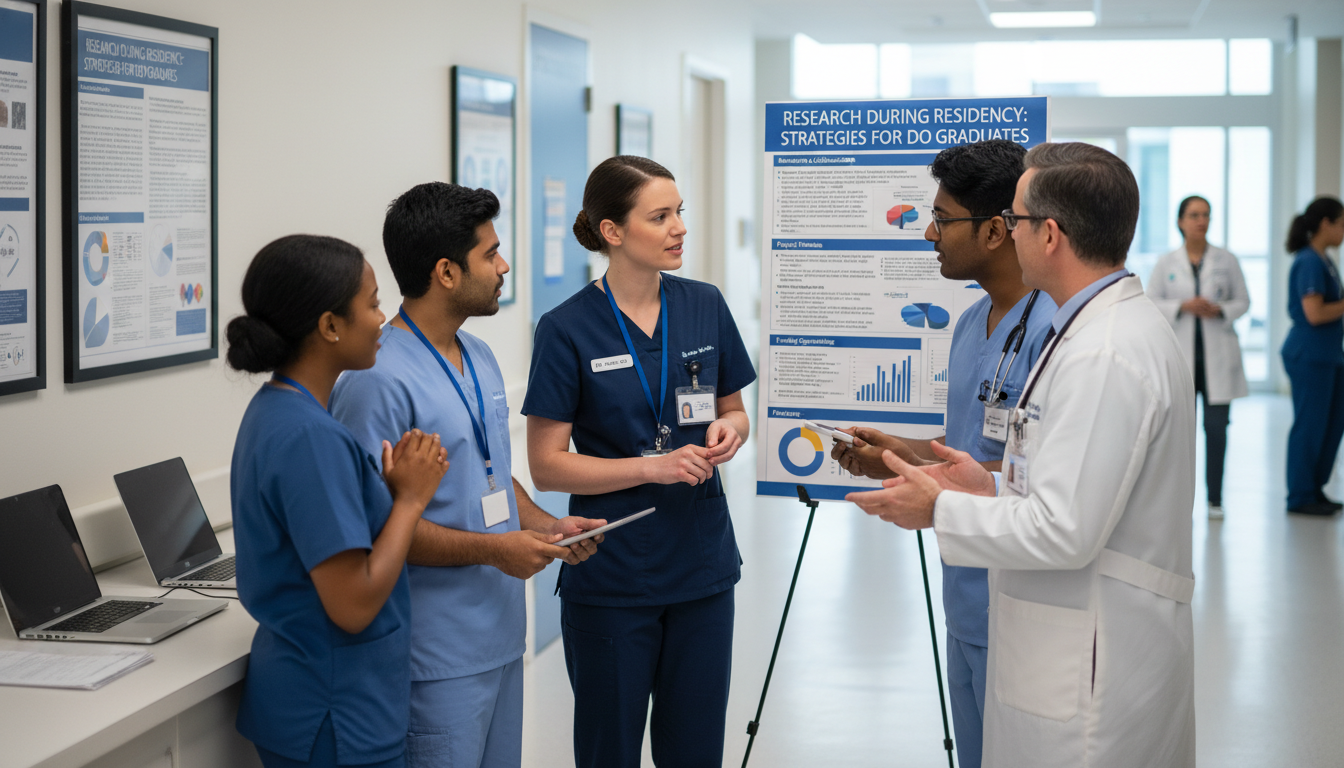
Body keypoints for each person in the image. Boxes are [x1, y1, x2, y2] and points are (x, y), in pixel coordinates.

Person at [848, 142, 1197, 767]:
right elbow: (1058, 478)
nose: (1009, 232)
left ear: (1051, 234)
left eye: (1016, 221)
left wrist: (941, 506)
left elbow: (1064, 528)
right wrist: (977, 483)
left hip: (1088, 648)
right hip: (1061, 627)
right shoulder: (1094, 331)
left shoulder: (1102, 353)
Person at [331, 183, 606, 768]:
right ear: (446, 273)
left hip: (502, 640)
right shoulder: (375, 379)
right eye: (491, 253)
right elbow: (379, 526)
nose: (504, 266)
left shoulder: (478, 354)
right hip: (433, 659)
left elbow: (492, 475)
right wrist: (494, 551)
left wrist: (550, 526)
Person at [522, 156, 756, 768]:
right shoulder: (566, 328)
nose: (679, 227)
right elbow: (547, 465)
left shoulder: (704, 304)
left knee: (696, 750)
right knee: (610, 750)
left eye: (680, 212)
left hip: (701, 568)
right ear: (612, 231)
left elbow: (735, 411)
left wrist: (730, 432)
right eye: (660, 216)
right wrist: (650, 468)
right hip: (613, 574)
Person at [830, 139, 1055, 768]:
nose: (928, 232)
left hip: (1021, 596)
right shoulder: (969, 322)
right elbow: (966, 451)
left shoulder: (1058, 334)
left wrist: (927, 474)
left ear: (993, 230)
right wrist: (897, 454)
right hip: (964, 586)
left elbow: (1048, 477)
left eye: (942, 218)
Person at [227, 235, 449, 768]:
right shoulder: (310, 438)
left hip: (315, 702)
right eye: (372, 304)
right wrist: (410, 502)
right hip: (334, 717)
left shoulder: (276, 410)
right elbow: (353, 604)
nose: (381, 319)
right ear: (330, 326)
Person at [1146, 195, 1250, 520]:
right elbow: (1151, 301)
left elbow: (1243, 301)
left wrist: (1219, 309)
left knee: (1217, 430)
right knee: (1180, 435)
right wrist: (1183, 306)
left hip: (1216, 359)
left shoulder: (1226, 260)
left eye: (1205, 214)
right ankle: (1180, 501)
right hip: (1182, 360)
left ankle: (1215, 499)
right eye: (1193, 215)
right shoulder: (1167, 262)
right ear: (1180, 221)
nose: (1200, 220)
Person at [1281, 196, 1344, 516]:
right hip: (1309, 355)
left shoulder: (1326, 260)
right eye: (1342, 223)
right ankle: (1300, 495)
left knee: (1332, 424)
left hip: (1330, 355)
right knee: (1311, 424)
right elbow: (1315, 313)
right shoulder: (1309, 261)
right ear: (1326, 224)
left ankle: (1315, 488)